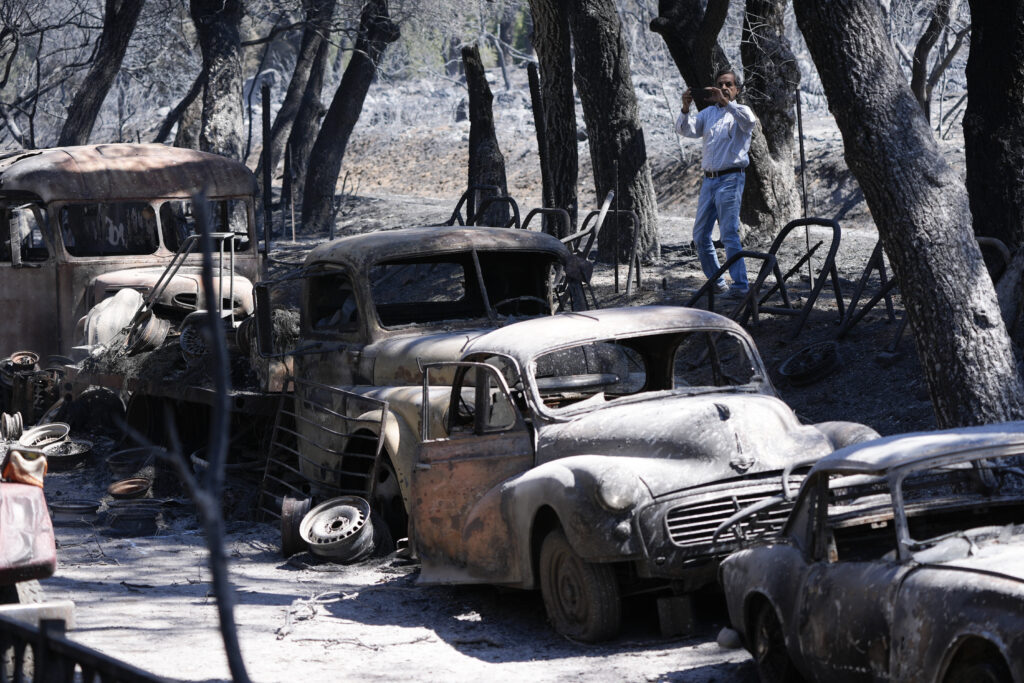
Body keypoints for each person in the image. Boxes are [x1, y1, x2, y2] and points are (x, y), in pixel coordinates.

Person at [676, 69, 757, 298]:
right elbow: (685, 130)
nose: (723, 88)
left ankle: (740, 286)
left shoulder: (741, 111)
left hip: (731, 178)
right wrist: (685, 107)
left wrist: (727, 103)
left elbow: (749, 121)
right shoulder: (709, 113)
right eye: (720, 84)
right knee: (700, 235)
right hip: (709, 180)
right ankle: (716, 283)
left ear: (736, 89)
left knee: (729, 233)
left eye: (728, 85)